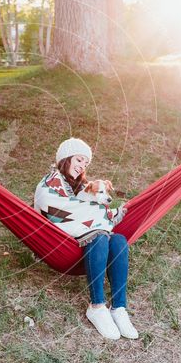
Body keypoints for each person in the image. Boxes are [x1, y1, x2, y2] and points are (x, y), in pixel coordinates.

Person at [34, 138, 139, 340]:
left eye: (86, 163)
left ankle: (119, 308)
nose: (82, 166)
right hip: (60, 242)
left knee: (118, 241)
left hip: (82, 240)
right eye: (79, 160)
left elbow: (87, 208)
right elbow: (58, 209)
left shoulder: (82, 186)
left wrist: (102, 212)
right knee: (100, 238)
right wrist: (109, 213)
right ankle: (97, 306)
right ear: (66, 159)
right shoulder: (50, 182)